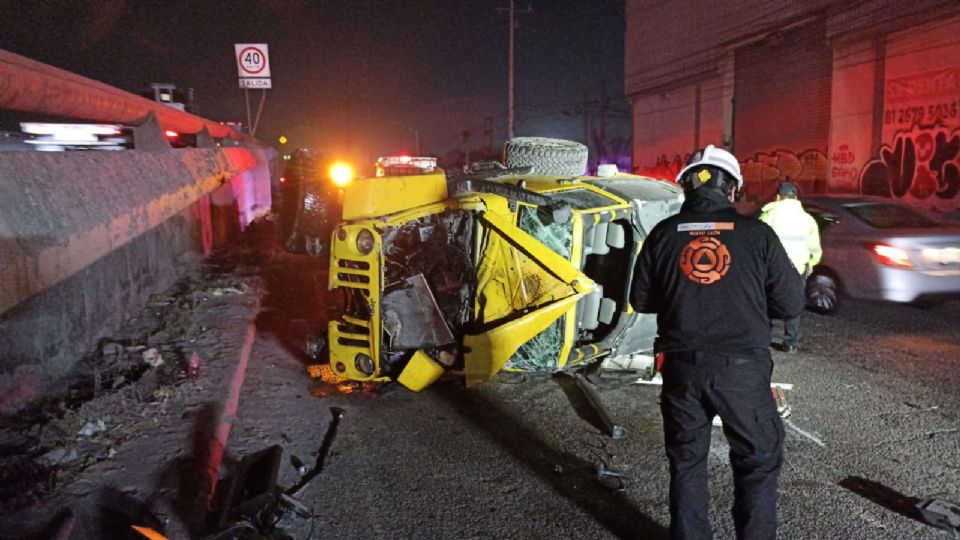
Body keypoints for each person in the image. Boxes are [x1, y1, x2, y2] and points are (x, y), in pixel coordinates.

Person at [630, 145, 804, 540]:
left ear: (687, 187)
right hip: (742, 373)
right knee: (757, 462)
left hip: (681, 370)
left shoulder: (662, 235)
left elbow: (640, 299)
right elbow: (791, 303)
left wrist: (682, 294)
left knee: (688, 463)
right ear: (733, 189)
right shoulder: (757, 235)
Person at [758, 181, 822, 353]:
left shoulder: (768, 216)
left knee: (765, 302)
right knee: (793, 304)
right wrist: (811, 262)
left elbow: (759, 243)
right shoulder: (808, 220)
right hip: (798, 267)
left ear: (778, 197)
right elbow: (814, 247)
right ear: (796, 198)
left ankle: (764, 340)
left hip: (772, 268)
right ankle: (791, 342)